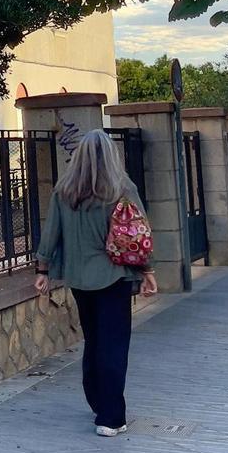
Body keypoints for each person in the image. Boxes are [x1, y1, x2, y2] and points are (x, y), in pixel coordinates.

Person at [33, 129, 158, 435]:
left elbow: (51, 231)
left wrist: (42, 269)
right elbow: (138, 233)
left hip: (79, 279)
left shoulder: (65, 190)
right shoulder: (122, 187)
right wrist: (148, 271)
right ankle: (110, 416)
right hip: (113, 276)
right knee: (113, 344)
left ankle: (98, 402)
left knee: (93, 341)